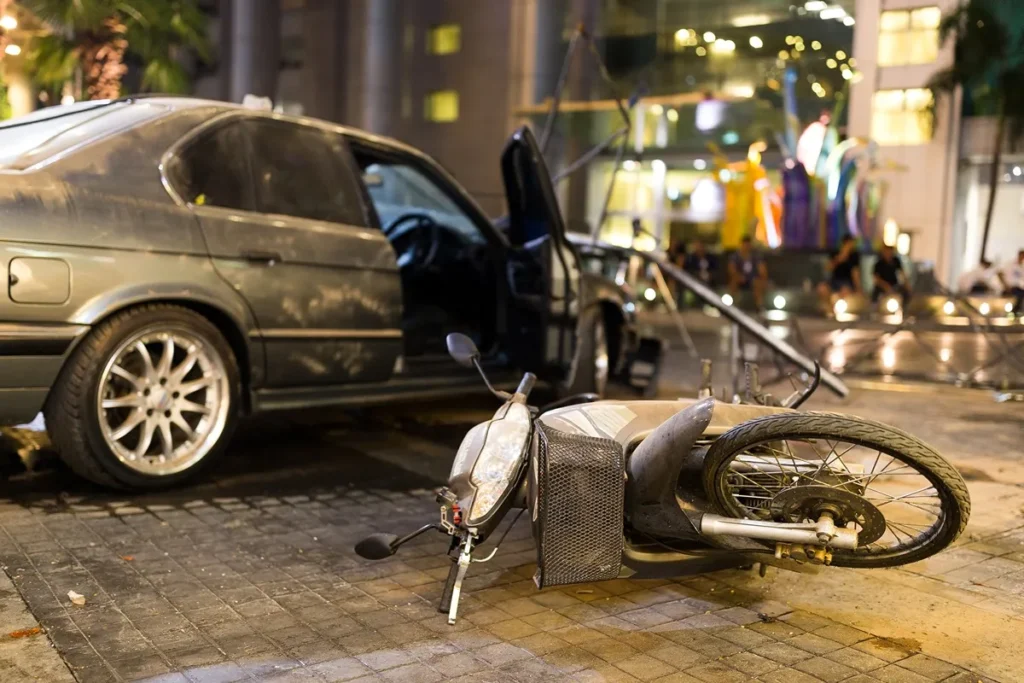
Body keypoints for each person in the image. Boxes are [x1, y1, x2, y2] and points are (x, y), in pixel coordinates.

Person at [817, 234, 860, 310]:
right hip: (834, 280)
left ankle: (840, 309)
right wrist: (839, 258)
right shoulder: (835, 253)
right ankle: (829, 309)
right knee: (822, 288)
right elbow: (828, 268)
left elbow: (855, 273)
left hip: (847, 282)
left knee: (845, 292)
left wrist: (858, 287)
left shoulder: (854, 255)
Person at [727, 235, 768, 309]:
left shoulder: (756, 256)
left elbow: (762, 270)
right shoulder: (735, 256)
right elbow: (731, 269)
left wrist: (761, 278)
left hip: (753, 279)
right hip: (739, 278)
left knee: (758, 283)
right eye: (744, 245)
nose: (746, 247)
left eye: (748, 245)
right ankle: (731, 306)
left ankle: (760, 307)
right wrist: (738, 276)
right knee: (733, 282)